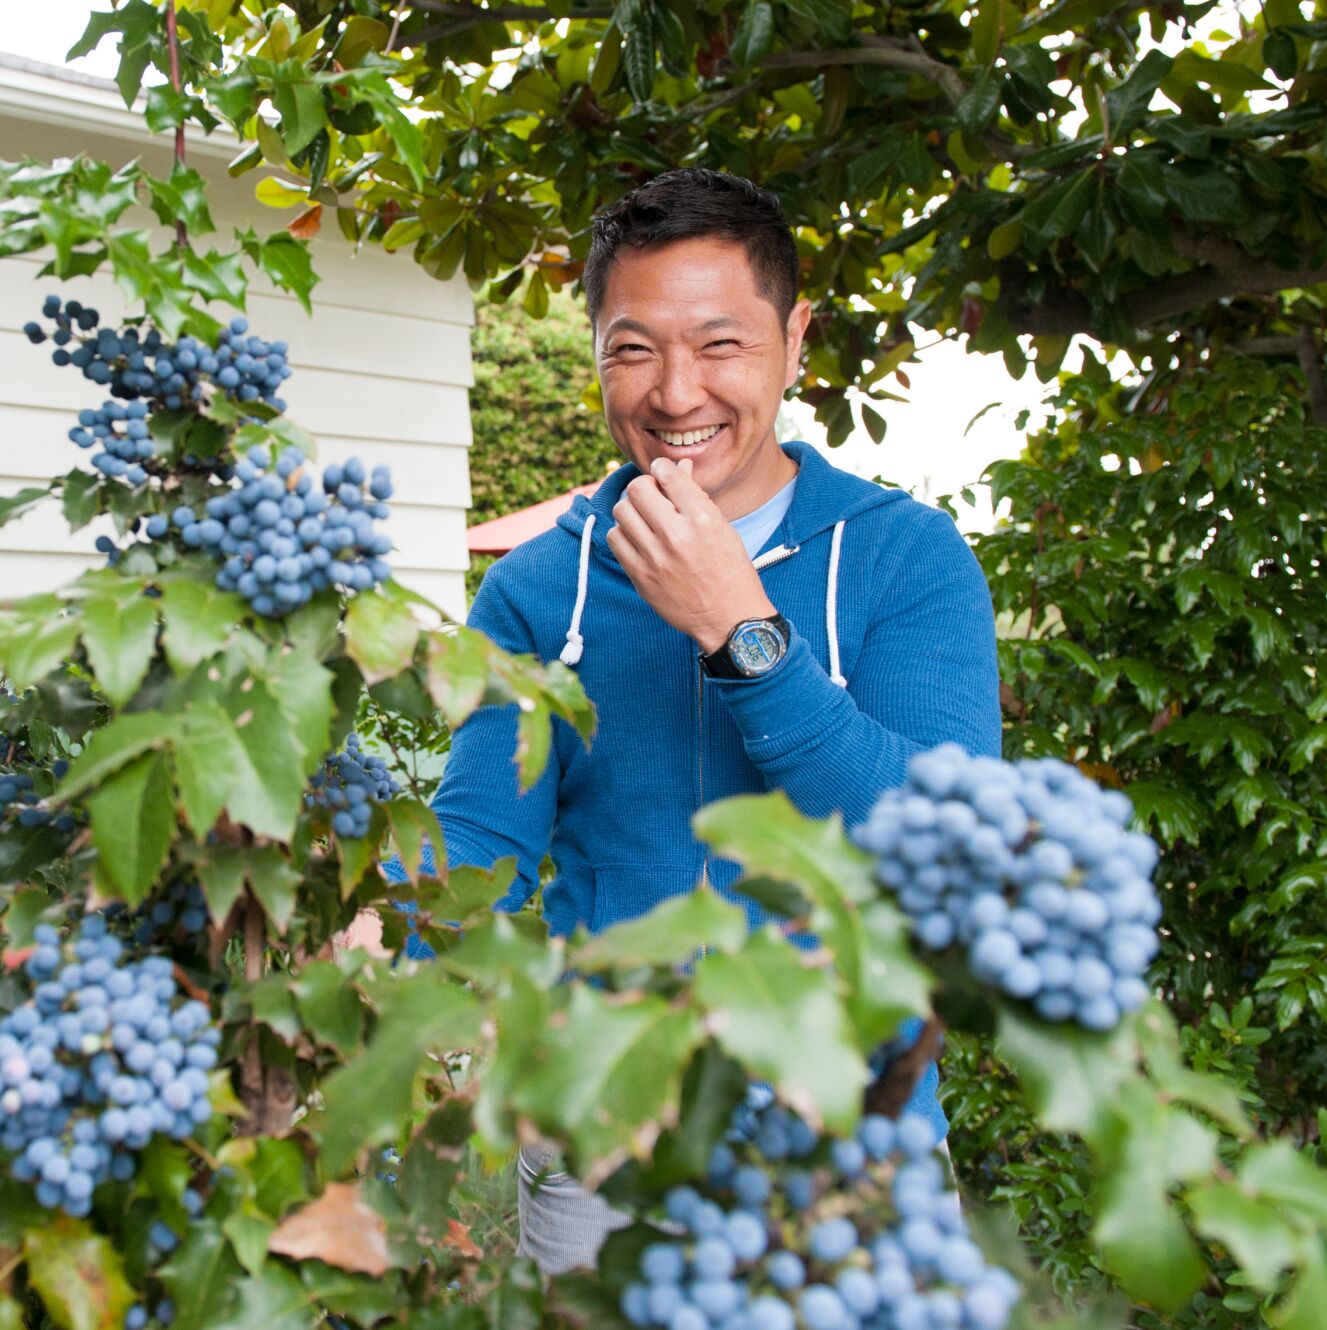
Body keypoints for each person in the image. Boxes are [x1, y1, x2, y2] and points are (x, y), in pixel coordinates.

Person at [376, 167, 1001, 1274]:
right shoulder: (533, 588)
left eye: (719, 345)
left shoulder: (908, 558)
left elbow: (941, 854)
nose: (673, 394)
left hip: (851, 1149)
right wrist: (370, 921)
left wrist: (741, 633)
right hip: (604, 1154)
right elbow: (484, 854)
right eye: (631, 347)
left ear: (794, 339)